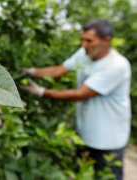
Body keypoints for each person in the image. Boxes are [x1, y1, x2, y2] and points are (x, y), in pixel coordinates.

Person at [22, 19, 131, 180]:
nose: (83, 44)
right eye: (82, 39)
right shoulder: (85, 53)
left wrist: (41, 92)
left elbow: (80, 94)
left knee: (107, 175)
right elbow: (59, 70)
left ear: (107, 40)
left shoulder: (116, 65)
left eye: (89, 40)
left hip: (109, 140)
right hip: (85, 133)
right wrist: (30, 71)